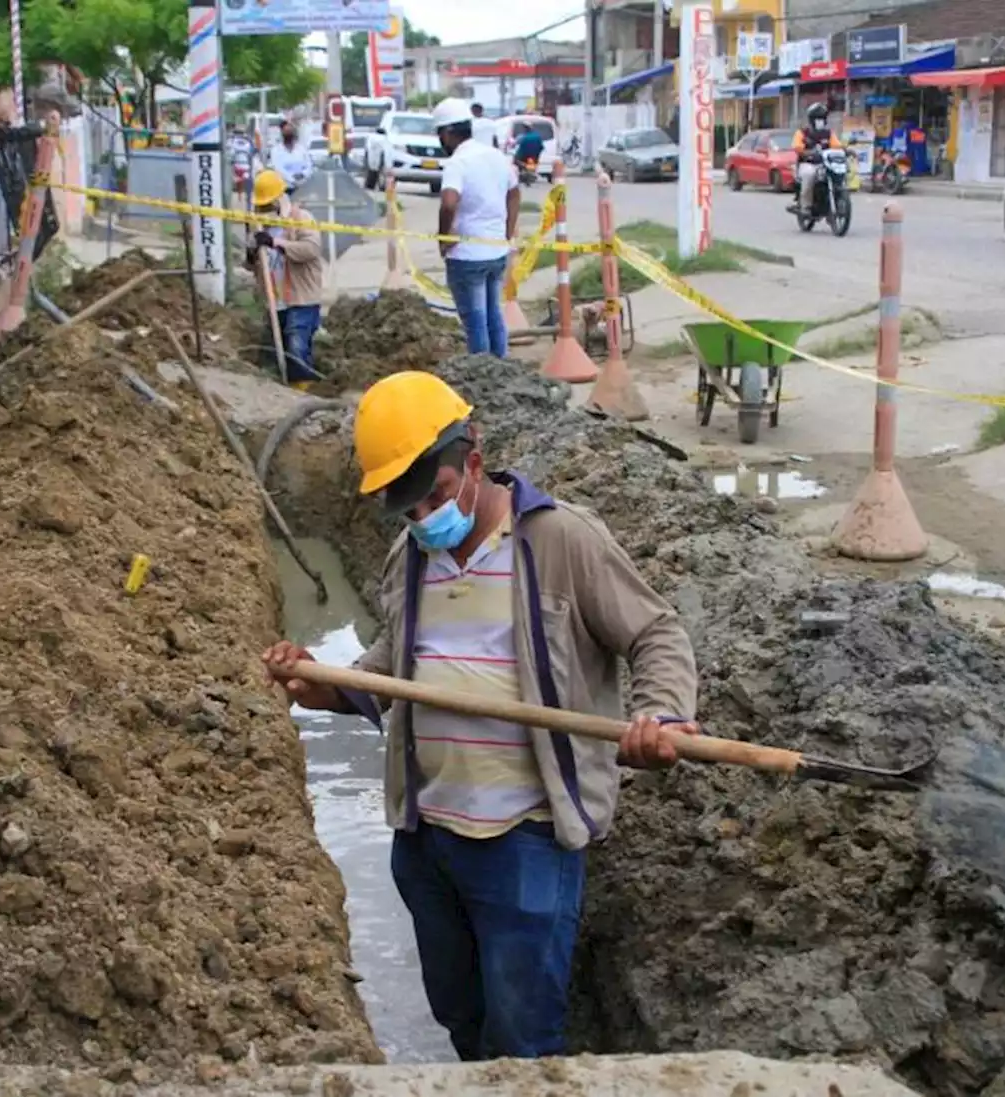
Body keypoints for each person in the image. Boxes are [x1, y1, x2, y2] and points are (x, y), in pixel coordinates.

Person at [262, 371, 699, 1061]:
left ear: (473, 457)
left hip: (524, 841)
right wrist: (319, 683)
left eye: (434, 496)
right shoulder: (412, 555)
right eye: (406, 509)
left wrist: (662, 714)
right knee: (461, 1018)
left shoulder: (561, 540)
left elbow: (656, 634)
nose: (424, 519)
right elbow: (392, 671)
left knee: (522, 1040)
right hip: (427, 839)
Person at [433, 98, 520, 358]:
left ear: (448, 133)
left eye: (440, 135)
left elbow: (449, 203)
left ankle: (482, 375)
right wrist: (507, 231)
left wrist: (444, 238)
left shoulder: (457, 163)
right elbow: (514, 194)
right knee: (494, 315)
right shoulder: (496, 156)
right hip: (496, 252)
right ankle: (501, 369)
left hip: (466, 256)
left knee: (475, 322)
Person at [245, 168, 324, 385]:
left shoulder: (300, 219)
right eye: (261, 206)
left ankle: (304, 389)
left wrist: (277, 244)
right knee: (271, 354)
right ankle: (277, 390)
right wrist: (252, 252)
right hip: (275, 301)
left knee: (296, 349)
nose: (264, 210)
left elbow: (311, 249)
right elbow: (253, 266)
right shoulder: (259, 227)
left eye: (268, 205)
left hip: (301, 299)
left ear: (280, 200)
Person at [792, 102, 841, 213]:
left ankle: (835, 201)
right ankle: (806, 206)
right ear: (811, 119)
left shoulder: (828, 133)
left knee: (838, 174)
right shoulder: (802, 133)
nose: (820, 121)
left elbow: (837, 146)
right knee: (809, 174)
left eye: (822, 118)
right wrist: (806, 152)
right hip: (808, 164)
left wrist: (846, 150)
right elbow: (797, 147)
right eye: (817, 118)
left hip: (825, 164)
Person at [268, 119, 312, 191]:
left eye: (290, 131)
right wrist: (292, 179)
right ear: (282, 132)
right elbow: (278, 169)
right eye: (286, 131)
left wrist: (303, 174)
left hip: (302, 188)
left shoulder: (301, 149)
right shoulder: (276, 150)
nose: (288, 133)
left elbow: (309, 165)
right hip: (284, 188)